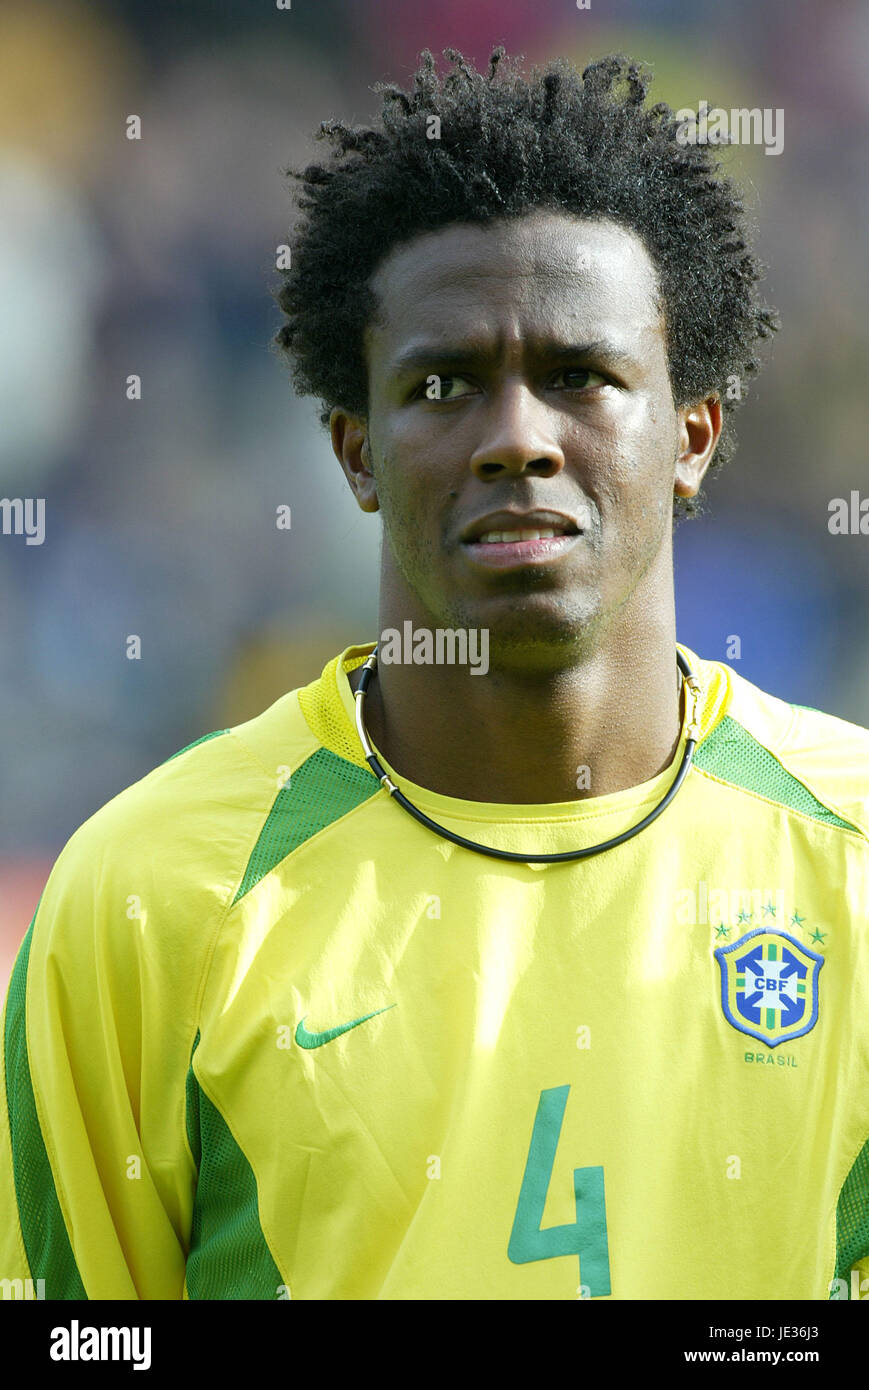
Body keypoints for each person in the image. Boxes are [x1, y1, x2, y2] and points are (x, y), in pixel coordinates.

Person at [2, 47, 867, 1302]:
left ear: (692, 435)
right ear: (355, 452)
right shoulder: (146, 896)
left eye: (578, 375)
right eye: (442, 383)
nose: (517, 436)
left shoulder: (850, 860)